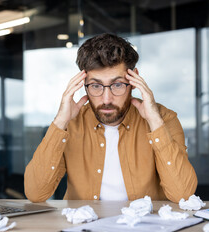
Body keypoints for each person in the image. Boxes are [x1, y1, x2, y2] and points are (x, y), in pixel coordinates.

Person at [24, 33, 197, 203]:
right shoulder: (70, 123)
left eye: (118, 84)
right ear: (83, 84)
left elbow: (183, 195)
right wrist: (60, 122)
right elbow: (35, 193)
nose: (106, 99)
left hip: (144, 228)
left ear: (134, 78)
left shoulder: (164, 119)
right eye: (96, 86)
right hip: (82, 228)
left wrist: (155, 123)